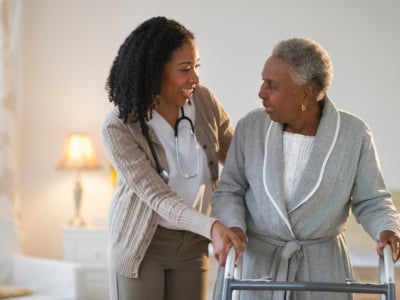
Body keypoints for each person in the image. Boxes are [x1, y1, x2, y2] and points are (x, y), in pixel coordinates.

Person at [211, 37, 400, 300]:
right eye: (263, 81)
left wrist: (388, 229)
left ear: (306, 93)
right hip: (256, 263)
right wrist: (234, 226)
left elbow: (373, 200)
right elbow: (230, 191)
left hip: (321, 270)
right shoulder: (250, 128)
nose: (261, 92)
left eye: (271, 85)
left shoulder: (353, 134)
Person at [100, 16, 246, 300]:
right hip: (143, 245)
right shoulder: (118, 126)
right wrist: (213, 226)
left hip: (192, 244)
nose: (195, 78)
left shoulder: (203, 102)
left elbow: (240, 159)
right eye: (185, 69)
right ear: (154, 72)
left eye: (196, 66)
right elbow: (158, 197)